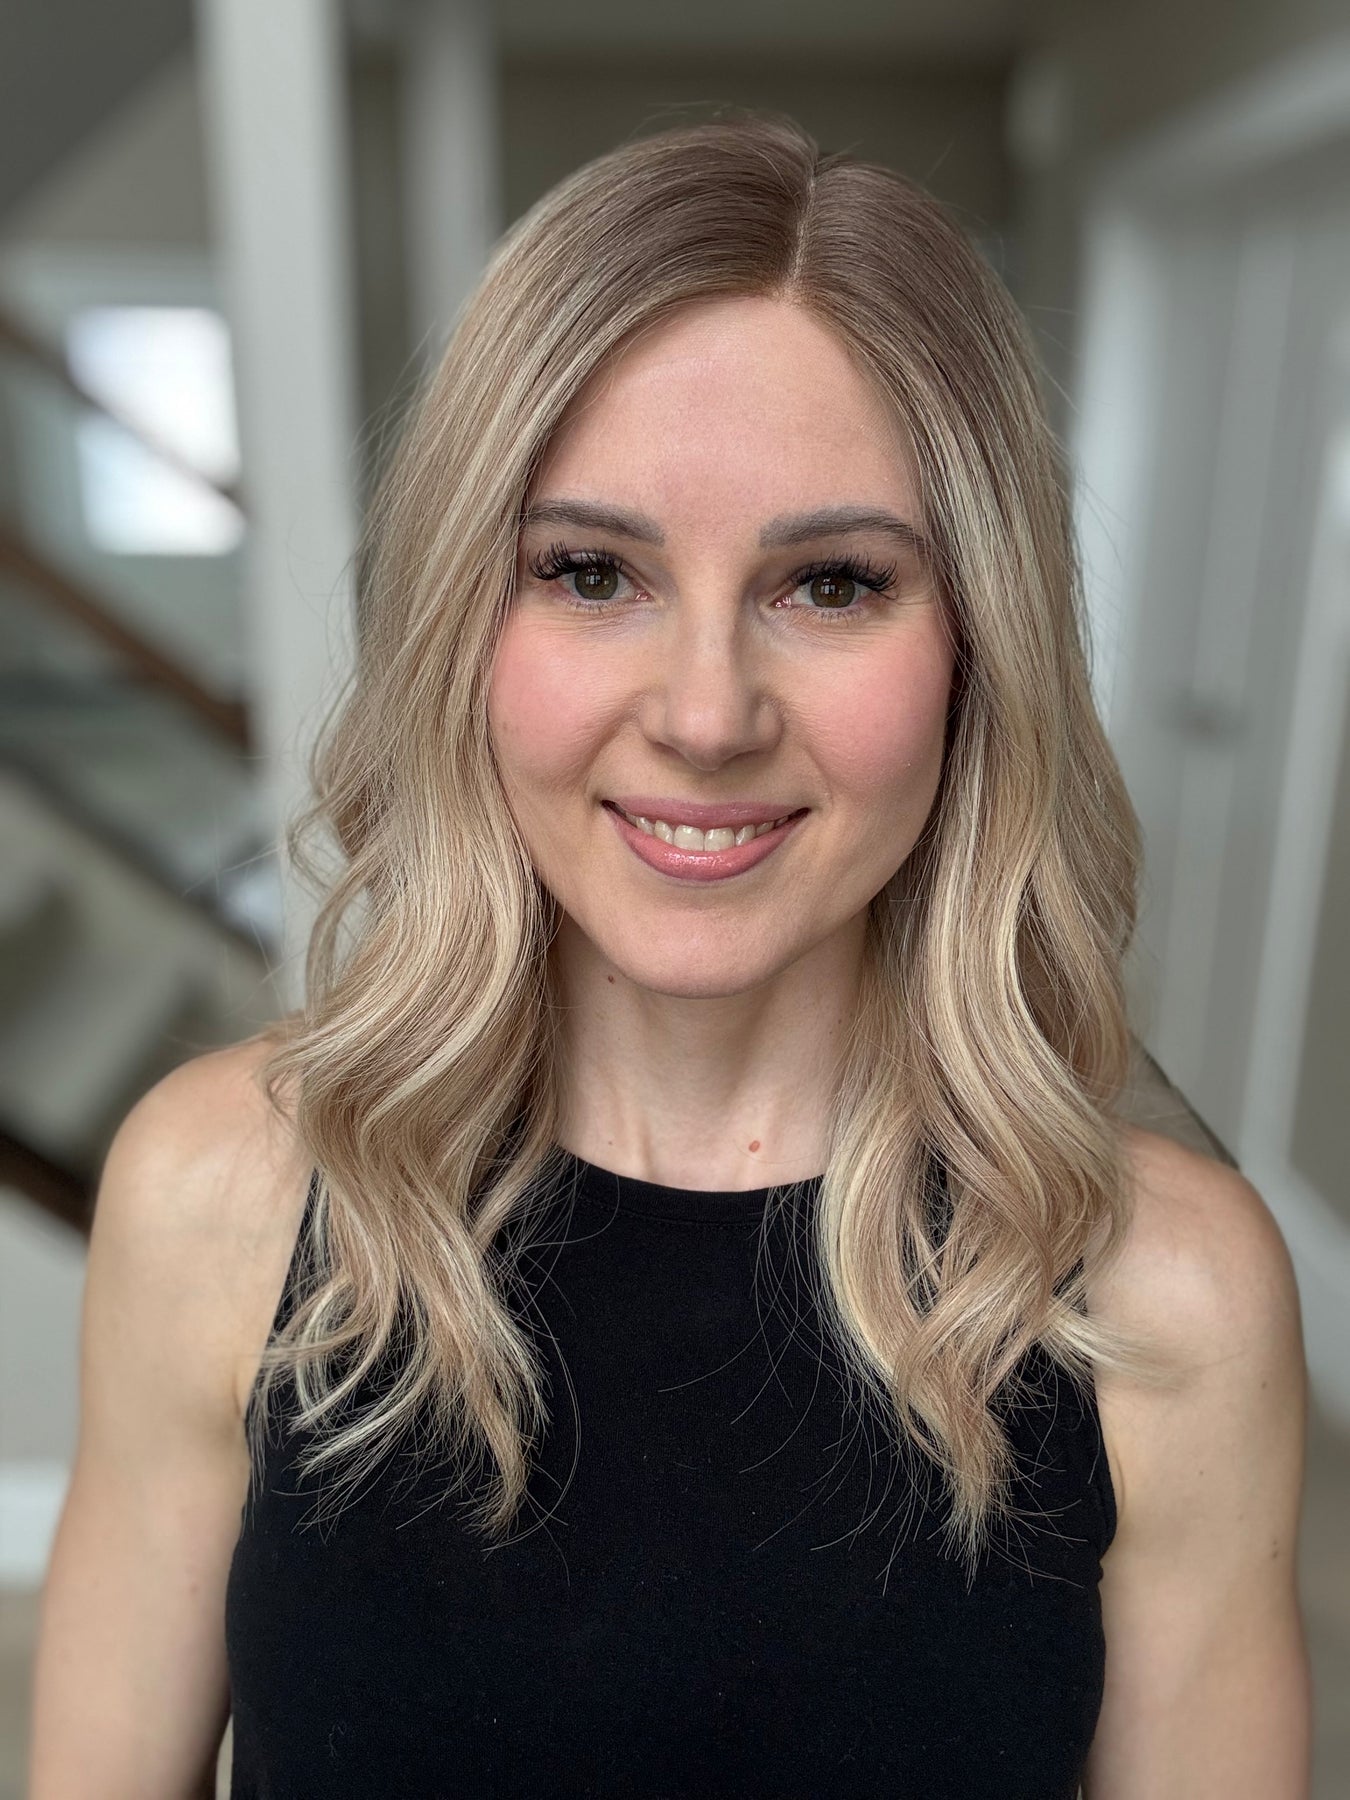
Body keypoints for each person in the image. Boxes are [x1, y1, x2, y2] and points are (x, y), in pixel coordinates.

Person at [28, 114, 1309, 1799]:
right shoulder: (222, 1197)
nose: (706, 716)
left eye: (830, 584)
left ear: (974, 650)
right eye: (590, 572)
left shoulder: (1166, 1299)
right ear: (460, 625)